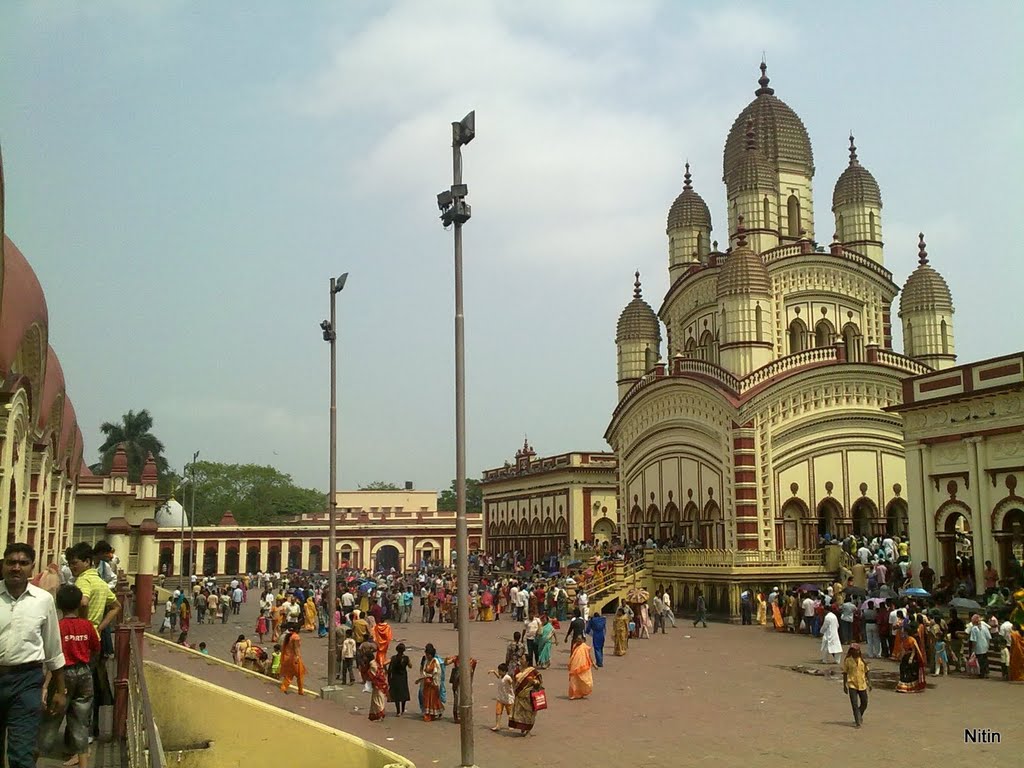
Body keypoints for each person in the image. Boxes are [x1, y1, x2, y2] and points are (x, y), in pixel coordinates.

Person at [0, 544, 70, 768]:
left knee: (22, 754)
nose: (16, 567)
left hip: (26, 681)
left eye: (23, 563)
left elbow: (53, 647)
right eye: (11, 562)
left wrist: (60, 690)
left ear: (31, 568)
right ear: (3, 565)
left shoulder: (43, 600)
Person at [38, 584, 98, 768]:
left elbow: (53, 658)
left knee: (51, 720)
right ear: (80, 604)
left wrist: (46, 686)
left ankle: (32, 759)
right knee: (80, 723)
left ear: (58, 603)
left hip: (62, 675)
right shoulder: (87, 626)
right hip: (84, 673)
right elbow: (95, 649)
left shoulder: (58, 627)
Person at [841, 643, 871, 728]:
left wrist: (870, 683)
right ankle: (858, 721)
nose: (856, 652)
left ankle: (859, 714)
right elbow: (845, 673)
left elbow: (867, 671)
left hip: (862, 684)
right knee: (854, 704)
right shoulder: (847, 660)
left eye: (858, 650)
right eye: (855, 651)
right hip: (852, 685)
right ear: (852, 651)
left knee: (864, 703)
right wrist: (844, 685)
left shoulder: (862, 660)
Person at [508, 666, 543, 736]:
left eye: (523, 659)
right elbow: (514, 681)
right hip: (520, 695)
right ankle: (522, 727)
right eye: (521, 659)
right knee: (520, 713)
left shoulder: (532, 671)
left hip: (529, 696)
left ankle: (528, 729)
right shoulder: (517, 670)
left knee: (529, 713)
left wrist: (533, 681)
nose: (521, 661)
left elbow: (540, 682)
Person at [417, 643, 444, 721]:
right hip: (426, 683)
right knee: (426, 699)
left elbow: (437, 673)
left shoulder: (435, 662)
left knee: (433, 699)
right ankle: (428, 713)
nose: (427, 656)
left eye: (428, 655)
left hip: (432, 683)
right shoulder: (426, 661)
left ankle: (433, 713)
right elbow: (423, 670)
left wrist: (433, 681)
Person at [279, 623, 306, 695]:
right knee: (300, 675)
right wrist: (297, 657)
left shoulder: (288, 636)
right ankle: (300, 691)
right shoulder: (296, 637)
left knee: (289, 675)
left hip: (287, 658)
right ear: (297, 630)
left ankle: (283, 688)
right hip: (294, 658)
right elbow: (296, 648)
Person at [387, 643, 411, 716]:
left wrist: (388, 678)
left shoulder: (393, 658)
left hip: (395, 678)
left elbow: (389, 668)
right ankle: (403, 710)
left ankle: (398, 712)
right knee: (403, 693)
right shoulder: (406, 658)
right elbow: (410, 666)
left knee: (397, 694)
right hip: (403, 677)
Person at [489, 663, 514, 732]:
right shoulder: (501, 676)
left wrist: (511, 682)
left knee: (510, 713)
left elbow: (511, 682)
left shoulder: (507, 677)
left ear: (504, 671)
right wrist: (494, 672)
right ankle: (497, 725)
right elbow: (498, 677)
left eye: (499, 671)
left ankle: (511, 725)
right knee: (498, 712)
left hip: (508, 698)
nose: (499, 672)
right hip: (500, 698)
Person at [968, 613, 992, 679]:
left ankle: (981, 673)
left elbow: (974, 640)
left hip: (978, 647)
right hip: (985, 646)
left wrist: (973, 649)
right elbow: (988, 637)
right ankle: (986, 672)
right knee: (985, 660)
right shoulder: (985, 627)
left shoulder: (974, 629)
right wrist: (988, 645)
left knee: (980, 661)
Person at [367, 653, 389, 721]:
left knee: (378, 701)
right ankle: (377, 714)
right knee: (378, 700)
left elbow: (374, 676)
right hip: (380, 685)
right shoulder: (375, 663)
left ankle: (380, 715)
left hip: (378, 685)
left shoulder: (373, 665)